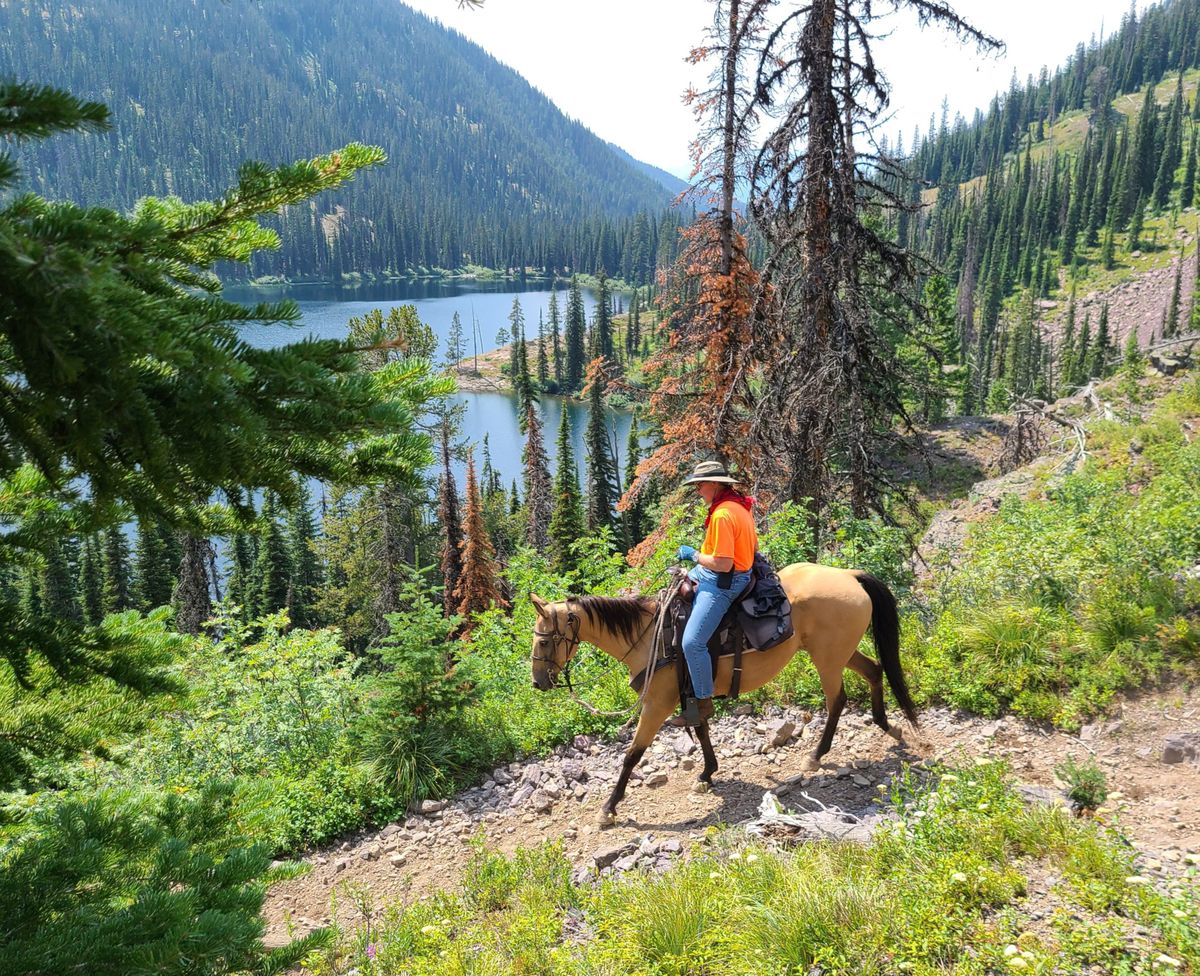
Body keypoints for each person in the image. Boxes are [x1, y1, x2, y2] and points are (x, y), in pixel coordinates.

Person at [673, 459, 758, 725]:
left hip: (725, 580)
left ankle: (702, 703)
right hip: (728, 572)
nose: (698, 490)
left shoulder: (722, 515)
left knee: (692, 642)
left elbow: (723, 563)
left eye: (700, 484)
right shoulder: (738, 506)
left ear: (714, 484)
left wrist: (693, 555)